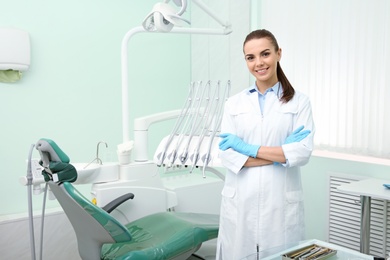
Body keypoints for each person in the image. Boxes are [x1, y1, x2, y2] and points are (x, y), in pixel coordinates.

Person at [216, 29, 315, 259]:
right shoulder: (234, 103)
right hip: (241, 200)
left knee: (281, 254)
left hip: (280, 203)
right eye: (251, 57)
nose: (258, 63)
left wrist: (249, 149)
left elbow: (301, 153)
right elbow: (228, 156)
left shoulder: (300, 102)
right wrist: (280, 154)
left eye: (265, 54)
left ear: (278, 54)